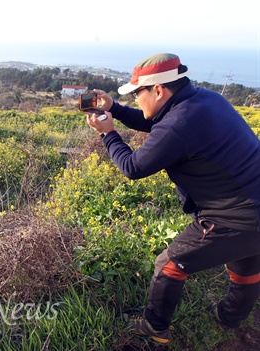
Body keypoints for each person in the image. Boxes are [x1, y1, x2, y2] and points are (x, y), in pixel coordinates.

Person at [86, 53, 260, 344]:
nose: (137, 99)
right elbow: (156, 122)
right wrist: (114, 108)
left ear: (157, 90)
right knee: (247, 264)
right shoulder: (205, 100)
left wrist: (108, 134)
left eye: (138, 93)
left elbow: (133, 167)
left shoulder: (178, 124)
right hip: (253, 207)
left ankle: (155, 330)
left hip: (234, 216)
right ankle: (229, 317)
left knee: (169, 264)